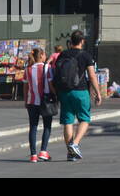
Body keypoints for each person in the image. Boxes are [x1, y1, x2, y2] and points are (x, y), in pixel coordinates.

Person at [52, 30, 104, 160]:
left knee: (68, 122)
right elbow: (92, 76)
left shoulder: (62, 54)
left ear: (71, 41)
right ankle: (75, 144)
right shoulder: (86, 55)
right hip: (80, 91)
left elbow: (56, 73)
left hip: (64, 92)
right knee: (84, 120)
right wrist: (98, 93)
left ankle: (71, 154)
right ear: (82, 41)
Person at [23, 48, 53, 162]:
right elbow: (50, 85)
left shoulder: (27, 69)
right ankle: (43, 151)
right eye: (45, 54)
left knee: (33, 127)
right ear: (41, 56)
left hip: (32, 101)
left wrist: (26, 101)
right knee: (47, 126)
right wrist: (55, 95)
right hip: (45, 101)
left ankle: (33, 155)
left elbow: (25, 87)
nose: (46, 56)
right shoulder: (48, 68)